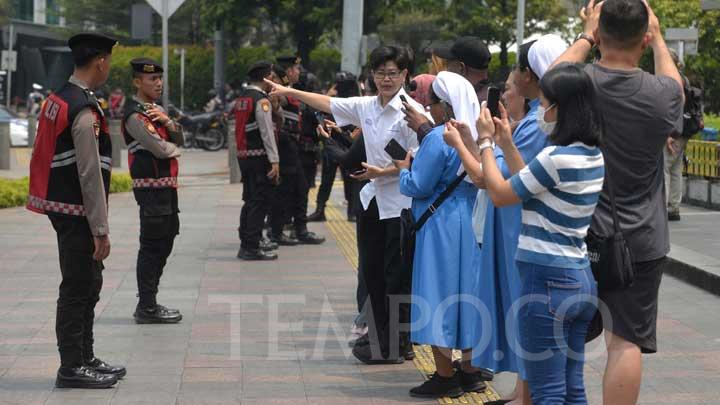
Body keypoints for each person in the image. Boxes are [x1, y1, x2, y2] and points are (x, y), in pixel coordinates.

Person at [447, 62, 604, 405]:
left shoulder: (556, 157)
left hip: (546, 282)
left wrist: (487, 143)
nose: (540, 113)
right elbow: (530, 186)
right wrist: (508, 142)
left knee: (547, 391)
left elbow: (502, 195)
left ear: (561, 108)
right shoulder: (590, 156)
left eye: (544, 104)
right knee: (571, 386)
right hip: (579, 278)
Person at [552, 1, 684, 404]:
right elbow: (676, 86)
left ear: (599, 32)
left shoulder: (579, 84)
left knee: (559, 336)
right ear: (644, 38)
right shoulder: (661, 94)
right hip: (639, 241)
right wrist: (659, 38)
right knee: (625, 342)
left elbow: (550, 78)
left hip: (575, 235)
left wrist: (585, 35)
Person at [264, 45, 424, 364]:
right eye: (380, 73)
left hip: (400, 204)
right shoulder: (367, 106)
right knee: (372, 272)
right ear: (371, 76)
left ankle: (399, 341)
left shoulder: (414, 113)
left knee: (397, 277)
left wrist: (387, 171)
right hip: (372, 200)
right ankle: (382, 339)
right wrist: (288, 90)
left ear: (405, 75)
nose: (386, 79)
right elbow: (328, 102)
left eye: (393, 73)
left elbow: (421, 160)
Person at [27, 32, 125, 388]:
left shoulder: (59, 98)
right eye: (108, 61)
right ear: (100, 61)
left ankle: (85, 356)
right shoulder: (82, 108)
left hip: (63, 207)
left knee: (88, 281)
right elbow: (89, 172)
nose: (108, 67)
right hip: (76, 211)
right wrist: (100, 227)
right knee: (78, 286)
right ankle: (72, 366)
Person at [393, 71, 486, 399]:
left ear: (445, 106)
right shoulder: (474, 133)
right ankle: (471, 371)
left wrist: (404, 170)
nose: (428, 110)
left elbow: (419, 185)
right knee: (469, 297)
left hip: (440, 226)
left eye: (432, 104)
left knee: (437, 296)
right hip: (470, 220)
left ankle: (445, 375)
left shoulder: (437, 138)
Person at [122, 58, 184, 324]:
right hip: (151, 190)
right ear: (137, 82)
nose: (158, 83)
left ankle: (150, 301)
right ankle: (146, 306)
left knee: (166, 241)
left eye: (160, 78)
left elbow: (178, 136)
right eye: (152, 79)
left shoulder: (156, 110)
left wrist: (169, 123)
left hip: (166, 189)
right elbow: (160, 148)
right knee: (152, 246)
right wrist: (176, 148)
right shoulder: (135, 115)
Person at [267, 58, 325, 246]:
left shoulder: (290, 90)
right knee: (285, 190)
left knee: (299, 188)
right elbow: (274, 108)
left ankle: (299, 229)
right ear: (288, 72)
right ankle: (279, 231)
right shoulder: (279, 92)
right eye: (295, 68)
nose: (298, 72)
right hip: (285, 145)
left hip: (294, 146)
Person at [234, 61, 281, 261]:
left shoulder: (243, 98)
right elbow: (267, 132)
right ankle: (251, 246)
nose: (273, 79)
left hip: (245, 157)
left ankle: (245, 241)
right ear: (265, 78)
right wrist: (275, 160)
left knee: (250, 199)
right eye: (271, 75)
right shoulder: (261, 100)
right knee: (259, 202)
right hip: (259, 157)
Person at [404, 37, 492, 144]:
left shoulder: (479, 104)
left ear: (461, 68)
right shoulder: (491, 96)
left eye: (448, 65)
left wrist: (423, 128)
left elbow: (455, 149)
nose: (446, 70)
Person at [308, 71, 360, 222]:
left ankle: (351, 211)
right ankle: (320, 209)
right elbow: (317, 114)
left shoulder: (355, 102)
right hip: (333, 142)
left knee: (349, 179)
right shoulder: (332, 100)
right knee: (327, 179)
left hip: (346, 142)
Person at [665, 48, 702, 221]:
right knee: (676, 169)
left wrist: (670, 132)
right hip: (684, 129)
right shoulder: (683, 77)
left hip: (674, 131)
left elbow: (675, 106)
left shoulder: (672, 78)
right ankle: (674, 207)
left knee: (665, 168)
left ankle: (665, 207)